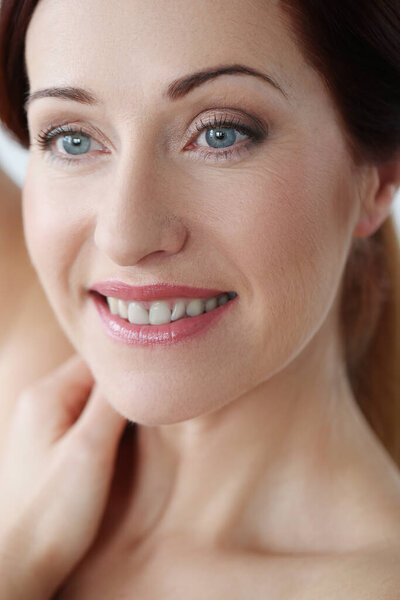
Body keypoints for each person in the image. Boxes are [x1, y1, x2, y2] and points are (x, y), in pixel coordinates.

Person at [0, 0, 400, 597]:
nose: (125, 236)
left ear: (378, 178)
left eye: (220, 133)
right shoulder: (29, 373)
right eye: (73, 139)